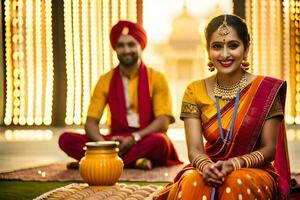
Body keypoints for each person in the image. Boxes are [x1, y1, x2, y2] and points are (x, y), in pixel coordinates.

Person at [154, 14, 290, 199]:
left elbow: (269, 150)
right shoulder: (194, 91)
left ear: (246, 49)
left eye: (233, 45)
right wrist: (206, 166)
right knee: (194, 182)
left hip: (253, 169)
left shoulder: (265, 90)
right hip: (207, 166)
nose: (225, 54)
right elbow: (194, 149)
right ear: (208, 51)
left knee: (234, 183)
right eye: (217, 46)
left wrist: (234, 164)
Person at [59, 20, 182, 170]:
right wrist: (105, 145)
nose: (126, 50)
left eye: (131, 44)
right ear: (115, 48)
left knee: (159, 142)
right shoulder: (105, 80)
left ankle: (99, 162)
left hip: (143, 138)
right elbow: (91, 123)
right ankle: (134, 161)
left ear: (140, 46)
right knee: (66, 139)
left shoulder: (157, 78)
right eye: (121, 45)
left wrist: (134, 138)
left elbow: (163, 122)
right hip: (115, 141)